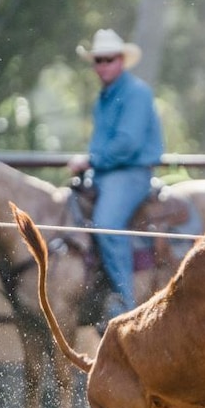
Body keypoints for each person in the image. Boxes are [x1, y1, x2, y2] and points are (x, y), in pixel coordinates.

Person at [68, 28, 164, 322]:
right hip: (105, 172)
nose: (103, 65)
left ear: (121, 60)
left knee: (108, 224)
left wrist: (91, 159)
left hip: (130, 171)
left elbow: (128, 143)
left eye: (109, 59)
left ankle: (126, 302)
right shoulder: (104, 98)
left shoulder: (136, 92)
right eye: (99, 60)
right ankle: (93, 288)